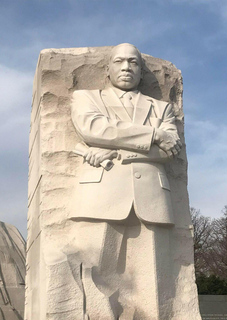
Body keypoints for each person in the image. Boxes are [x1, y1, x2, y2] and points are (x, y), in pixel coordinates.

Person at [69, 43, 182, 319]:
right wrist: (153, 136)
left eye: (133, 63)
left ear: (142, 73)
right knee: (93, 273)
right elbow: (93, 128)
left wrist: (114, 147)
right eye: (119, 62)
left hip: (152, 197)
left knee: (154, 281)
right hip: (102, 192)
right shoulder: (87, 98)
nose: (126, 68)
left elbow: (170, 151)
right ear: (107, 70)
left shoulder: (163, 109)